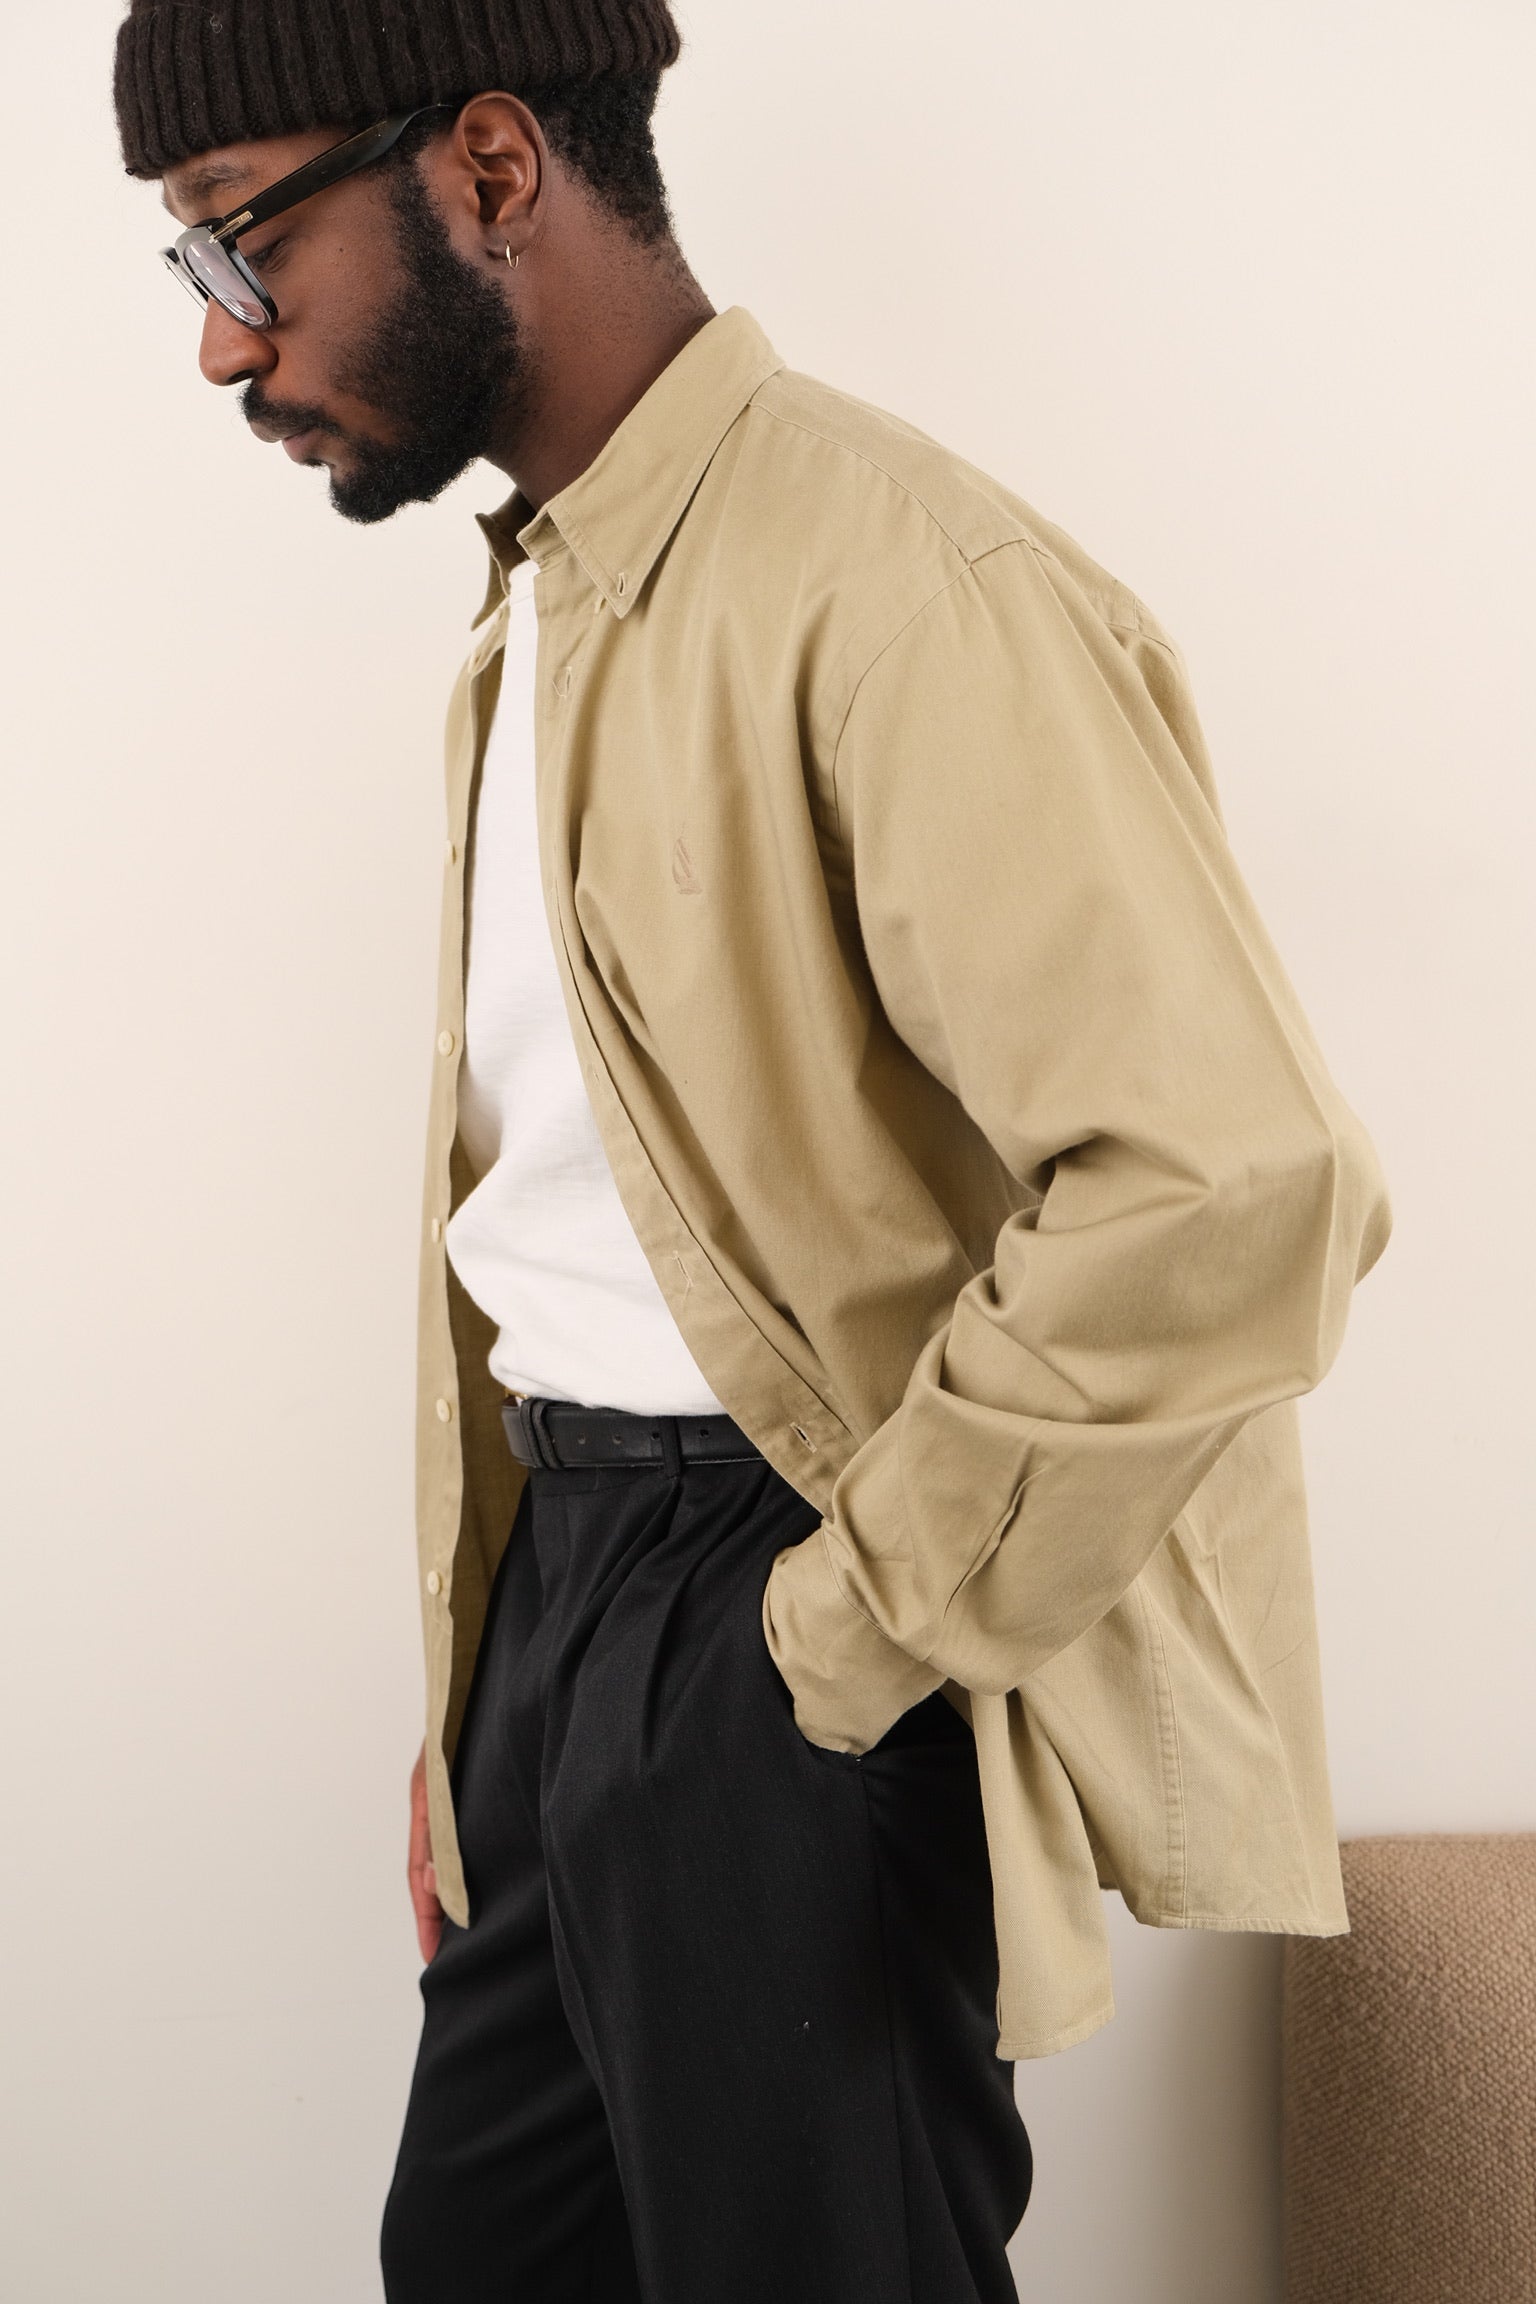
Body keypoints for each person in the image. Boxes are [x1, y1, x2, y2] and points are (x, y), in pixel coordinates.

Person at [117, 3, 1392, 2297]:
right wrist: (500, 1691)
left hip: (782, 1607)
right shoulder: (558, 599)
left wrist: (826, 1641)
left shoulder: (892, 583)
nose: (224, 345)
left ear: (489, 167)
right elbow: (592, 1221)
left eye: (240, 244)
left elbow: (1229, 1182)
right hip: (567, 1600)